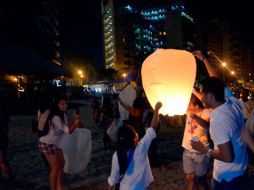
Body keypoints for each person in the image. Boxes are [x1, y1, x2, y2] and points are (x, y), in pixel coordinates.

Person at [191, 77, 248, 190]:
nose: (201, 98)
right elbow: (216, 79)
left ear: (210, 96)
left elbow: (227, 157)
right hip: (242, 168)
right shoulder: (233, 102)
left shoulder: (218, 120)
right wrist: (203, 58)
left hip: (227, 177)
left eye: (202, 94)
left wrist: (204, 150)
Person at [108, 102, 162, 190]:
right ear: (135, 137)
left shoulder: (117, 155)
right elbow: (153, 127)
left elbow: (113, 179)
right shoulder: (141, 147)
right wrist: (156, 110)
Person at [38, 96, 80, 190]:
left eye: (65, 103)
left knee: (62, 164)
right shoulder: (56, 117)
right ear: (57, 105)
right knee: (56, 167)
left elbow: (66, 128)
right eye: (62, 104)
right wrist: (75, 123)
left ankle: (59, 187)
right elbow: (68, 131)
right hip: (47, 143)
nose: (65, 105)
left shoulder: (62, 114)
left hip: (56, 143)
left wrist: (74, 121)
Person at [182, 94, 210, 190]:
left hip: (200, 153)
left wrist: (195, 117)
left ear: (196, 106)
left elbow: (207, 125)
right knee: (190, 178)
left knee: (201, 180)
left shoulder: (205, 112)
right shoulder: (187, 112)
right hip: (187, 151)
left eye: (189, 104)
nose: (187, 106)